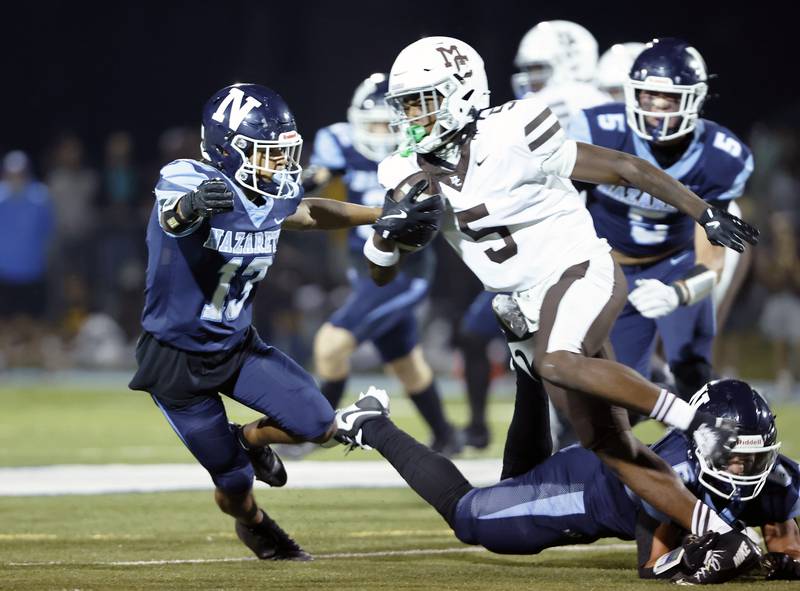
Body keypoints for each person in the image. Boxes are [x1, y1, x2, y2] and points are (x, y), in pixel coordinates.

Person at [365, 35, 759, 563]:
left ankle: (698, 422)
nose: (412, 116)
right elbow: (381, 273)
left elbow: (624, 167)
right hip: (527, 306)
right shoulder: (402, 170)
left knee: (557, 361)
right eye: (406, 105)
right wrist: (385, 236)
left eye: (423, 101)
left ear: (461, 93)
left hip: (580, 269)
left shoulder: (514, 129)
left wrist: (703, 212)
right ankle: (723, 536)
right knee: (608, 444)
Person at [128, 83, 383, 560]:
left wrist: (381, 214)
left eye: (283, 152)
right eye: (267, 152)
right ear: (227, 149)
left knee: (318, 423)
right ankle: (257, 526)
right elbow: (172, 216)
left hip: (238, 347)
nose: (280, 164)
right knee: (234, 486)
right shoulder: (189, 177)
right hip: (177, 362)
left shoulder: (271, 190)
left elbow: (308, 212)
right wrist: (193, 205)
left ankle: (248, 437)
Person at [335, 380, 800, 583]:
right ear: (701, 444)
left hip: (594, 487)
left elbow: (784, 547)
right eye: (734, 455)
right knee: (468, 517)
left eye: (756, 456)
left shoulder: (779, 476)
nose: (745, 467)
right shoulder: (672, 472)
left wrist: (778, 561)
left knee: (514, 478)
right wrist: (706, 559)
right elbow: (653, 564)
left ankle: (526, 368)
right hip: (581, 491)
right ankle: (371, 423)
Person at [568, 38, 754, 399]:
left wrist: (678, 292)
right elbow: (561, 205)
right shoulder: (600, 129)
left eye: (667, 100)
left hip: (676, 262)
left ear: (694, 99)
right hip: (608, 264)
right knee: (619, 389)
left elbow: (712, 264)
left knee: (692, 369)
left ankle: (714, 430)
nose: (656, 109)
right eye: (648, 97)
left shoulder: (721, 157)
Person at [301, 73, 463, 457]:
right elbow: (318, 176)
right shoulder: (339, 141)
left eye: (384, 125)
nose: (377, 133)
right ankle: (446, 435)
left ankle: (315, 432)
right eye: (370, 124)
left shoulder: (420, 150)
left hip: (404, 270)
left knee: (329, 345)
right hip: (364, 267)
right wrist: (294, 186)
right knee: (405, 362)